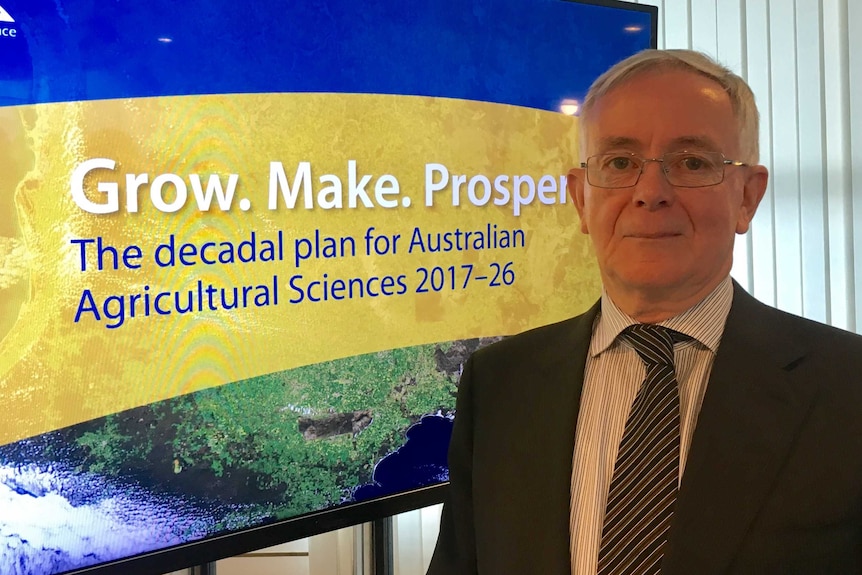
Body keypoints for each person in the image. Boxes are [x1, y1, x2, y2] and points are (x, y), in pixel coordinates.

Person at [426, 49, 862, 575]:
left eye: (692, 162)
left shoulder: (847, 386)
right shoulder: (498, 384)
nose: (650, 193)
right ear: (582, 199)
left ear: (748, 196)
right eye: (618, 163)